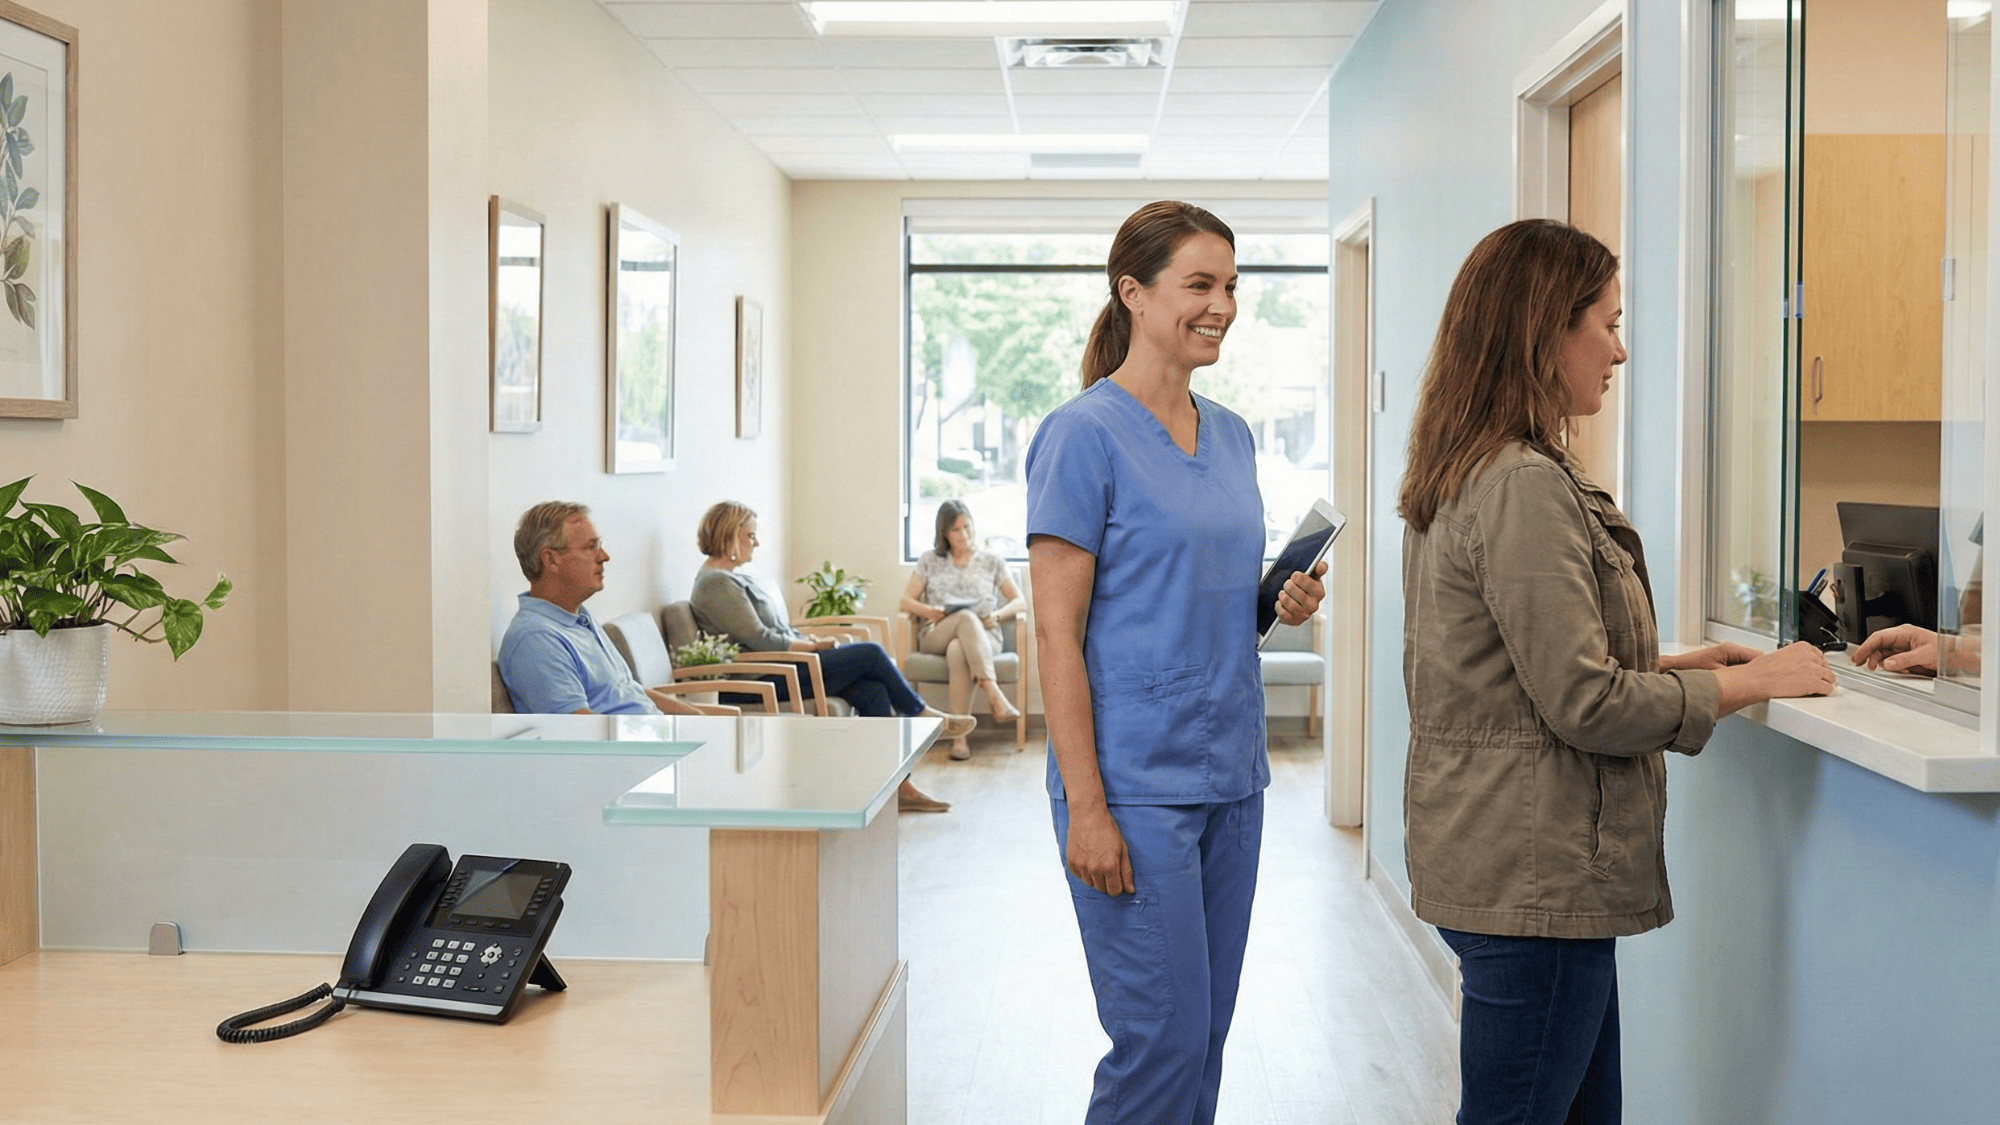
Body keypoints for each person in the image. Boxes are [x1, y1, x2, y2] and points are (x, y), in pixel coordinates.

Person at [1399, 219, 1837, 1125]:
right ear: (1544, 332)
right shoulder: (1520, 482)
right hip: (1534, 878)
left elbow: (1518, 667)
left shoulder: (1477, 468)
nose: (1621, 349)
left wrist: (1681, 661)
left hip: (1510, 863)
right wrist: (1754, 681)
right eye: (1607, 321)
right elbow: (1584, 702)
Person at [1025, 199, 1326, 1125]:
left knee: (1202, 1042)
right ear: (1135, 294)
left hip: (1232, 778)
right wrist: (1087, 809)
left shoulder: (1232, 435)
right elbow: (1055, 637)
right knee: (1158, 1043)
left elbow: (1203, 602)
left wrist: (1278, 599)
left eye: (1231, 285)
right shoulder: (1082, 436)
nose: (1223, 305)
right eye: (1199, 284)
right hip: (1132, 787)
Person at [688, 500, 974, 813]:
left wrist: (808, 640)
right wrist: (810, 648)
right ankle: (920, 714)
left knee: (873, 690)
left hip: (783, 668)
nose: (756, 543)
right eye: (750, 535)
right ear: (730, 536)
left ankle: (896, 786)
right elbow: (761, 640)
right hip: (762, 678)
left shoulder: (733, 579)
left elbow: (776, 631)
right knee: (871, 654)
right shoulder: (716, 585)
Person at [497, 500, 692, 716]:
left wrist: (698, 718)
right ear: (551, 560)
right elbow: (582, 733)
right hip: (632, 747)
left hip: (652, 738)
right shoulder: (535, 638)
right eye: (591, 548)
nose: (603, 556)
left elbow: (625, 693)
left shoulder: (578, 617)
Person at [897, 499, 1026, 760]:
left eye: (967, 527)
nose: (964, 534)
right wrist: (928, 611)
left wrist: (997, 615)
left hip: (985, 637)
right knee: (965, 618)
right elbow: (905, 601)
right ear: (944, 532)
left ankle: (959, 740)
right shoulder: (929, 560)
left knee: (959, 650)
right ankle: (994, 693)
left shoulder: (992, 561)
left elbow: (1019, 601)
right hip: (936, 634)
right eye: (956, 530)